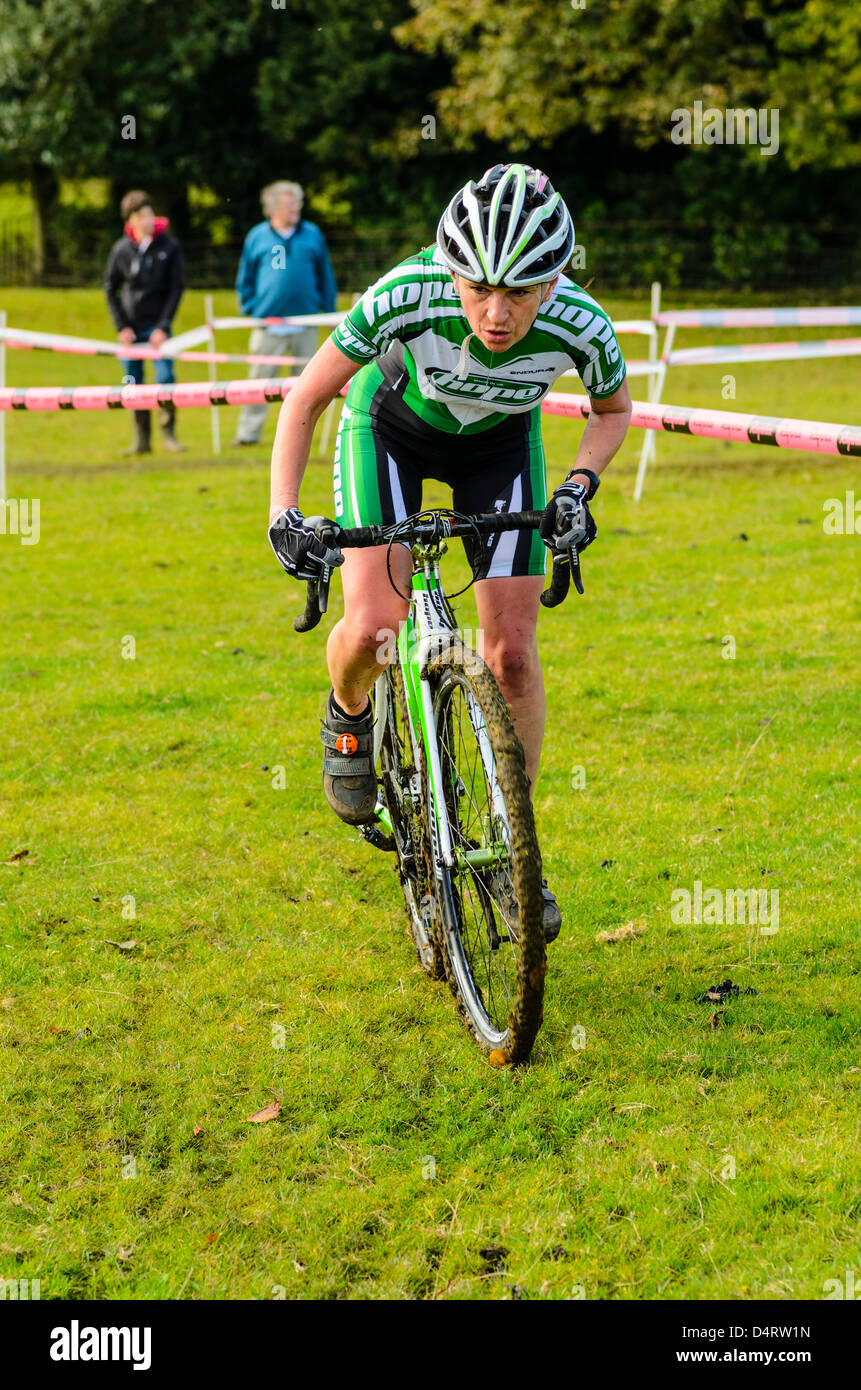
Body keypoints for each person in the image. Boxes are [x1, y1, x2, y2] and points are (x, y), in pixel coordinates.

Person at [267, 164, 632, 941]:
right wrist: (284, 514)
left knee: (514, 655)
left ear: (554, 281)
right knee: (372, 628)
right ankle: (349, 710)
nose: (495, 316)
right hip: (388, 431)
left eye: (520, 294)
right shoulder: (406, 292)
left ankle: (512, 849)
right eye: (477, 291)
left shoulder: (584, 325)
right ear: (451, 272)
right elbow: (305, 397)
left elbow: (612, 410)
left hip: (499, 449)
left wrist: (576, 486)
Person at [232, 180, 337, 447]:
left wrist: (330, 313)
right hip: (268, 324)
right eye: (290, 203)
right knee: (259, 380)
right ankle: (248, 434)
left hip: (307, 322)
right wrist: (252, 308)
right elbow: (246, 277)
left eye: (298, 202)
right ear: (273, 207)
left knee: (308, 385)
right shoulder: (258, 236)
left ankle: (301, 436)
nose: (296, 208)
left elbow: (325, 275)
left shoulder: (312, 234)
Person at [104, 190, 186, 455]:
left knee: (165, 378)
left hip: (158, 328)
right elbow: (110, 288)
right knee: (132, 383)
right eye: (142, 216)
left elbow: (177, 287)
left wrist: (163, 326)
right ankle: (142, 439)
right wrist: (121, 327)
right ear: (131, 221)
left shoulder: (169, 246)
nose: (148, 219)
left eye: (150, 214)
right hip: (131, 329)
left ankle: (169, 434)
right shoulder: (121, 249)